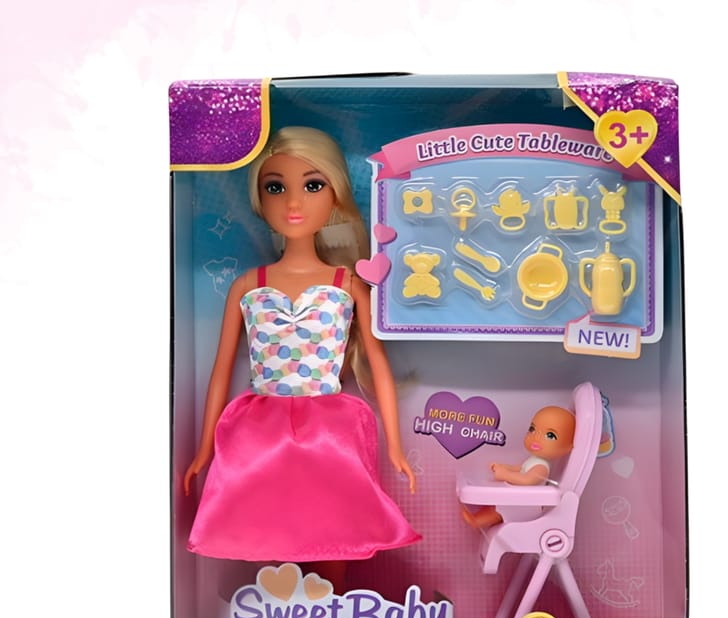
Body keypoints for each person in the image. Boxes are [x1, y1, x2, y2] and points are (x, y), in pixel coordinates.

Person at [184, 127, 419, 587]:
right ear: (259, 198)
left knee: (335, 526)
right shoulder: (249, 285)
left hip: (330, 428)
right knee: (268, 528)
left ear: (335, 195)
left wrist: (394, 445)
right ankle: (280, 611)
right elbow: (220, 372)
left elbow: (378, 365)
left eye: (312, 185)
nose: (293, 202)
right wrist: (204, 448)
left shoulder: (346, 284)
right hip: (260, 428)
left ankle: (328, 605)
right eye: (275, 187)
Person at [460, 405, 575, 529]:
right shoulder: (534, 460)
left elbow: (527, 480)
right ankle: (479, 518)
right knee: (495, 504)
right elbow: (521, 469)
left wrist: (505, 475)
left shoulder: (541, 467)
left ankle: (476, 521)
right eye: (532, 429)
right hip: (520, 499)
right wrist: (504, 467)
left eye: (550, 435)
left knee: (498, 510)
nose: (536, 437)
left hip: (526, 505)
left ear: (567, 447)